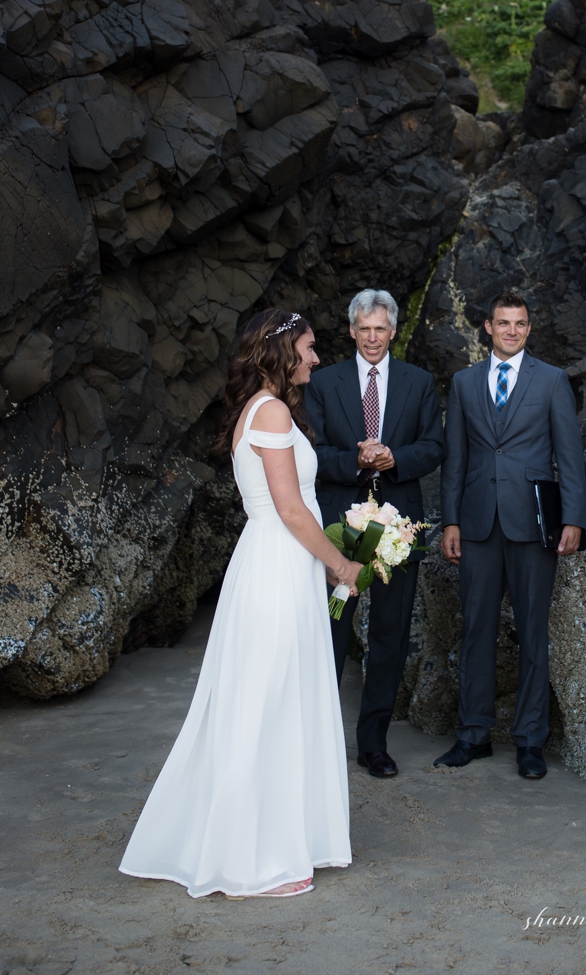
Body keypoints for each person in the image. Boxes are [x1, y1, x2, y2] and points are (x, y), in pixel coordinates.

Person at [119, 308, 361, 899]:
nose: (316, 357)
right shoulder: (271, 410)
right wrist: (341, 564)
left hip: (280, 563)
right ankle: (249, 861)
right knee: (266, 704)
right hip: (278, 566)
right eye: (308, 347)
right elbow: (291, 508)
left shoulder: (264, 407)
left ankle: (279, 838)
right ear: (281, 351)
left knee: (277, 700)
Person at [435, 292, 586, 780]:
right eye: (504, 323)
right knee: (475, 629)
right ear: (488, 327)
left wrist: (574, 519)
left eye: (520, 323)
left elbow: (569, 454)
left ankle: (530, 740)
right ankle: (473, 734)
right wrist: (451, 521)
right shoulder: (464, 383)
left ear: (529, 328)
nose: (512, 331)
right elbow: (455, 458)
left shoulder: (552, 380)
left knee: (533, 632)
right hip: (477, 522)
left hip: (533, 522)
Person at [305, 289, 444, 779]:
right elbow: (312, 452)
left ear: (393, 330)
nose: (371, 337)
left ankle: (373, 745)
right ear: (351, 330)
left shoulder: (418, 382)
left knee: (390, 634)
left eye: (380, 328)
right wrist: (357, 460)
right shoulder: (322, 383)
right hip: (339, 532)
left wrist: (394, 458)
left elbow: (434, 447)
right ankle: (317, 742)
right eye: (363, 329)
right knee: (331, 629)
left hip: (399, 531)